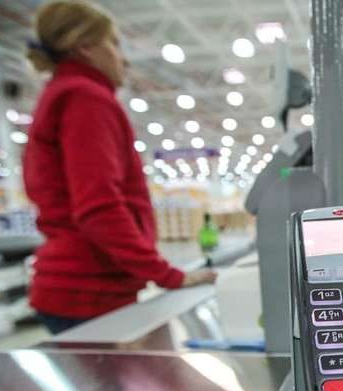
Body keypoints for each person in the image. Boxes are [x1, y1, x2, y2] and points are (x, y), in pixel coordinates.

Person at [23, 1, 217, 334]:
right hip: (89, 290)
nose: (123, 59)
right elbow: (98, 208)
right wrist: (169, 275)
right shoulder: (85, 97)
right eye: (114, 43)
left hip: (79, 287)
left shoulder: (62, 93)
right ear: (85, 46)